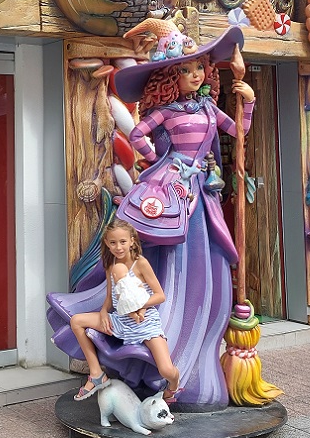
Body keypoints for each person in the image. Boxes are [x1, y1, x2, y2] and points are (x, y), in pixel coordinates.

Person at [47, 23, 252, 408]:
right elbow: (138, 134)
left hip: (201, 194)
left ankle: (192, 352)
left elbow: (238, 131)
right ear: (169, 77)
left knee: (206, 262)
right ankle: (155, 349)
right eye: (186, 70)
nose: (196, 75)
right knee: (168, 256)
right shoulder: (167, 113)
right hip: (171, 189)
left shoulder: (209, 109)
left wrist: (249, 100)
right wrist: (162, 161)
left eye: (200, 68)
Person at [69, 219, 180, 403]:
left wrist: (140, 306)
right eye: (113, 242)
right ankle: (96, 373)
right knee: (76, 321)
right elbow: (110, 297)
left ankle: (174, 386)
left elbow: (160, 296)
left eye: (122, 242)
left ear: (132, 241)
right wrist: (103, 313)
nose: (118, 247)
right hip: (121, 321)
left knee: (166, 370)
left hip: (144, 323)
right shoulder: (110, 265)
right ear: (107, 243)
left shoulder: (140, 263)